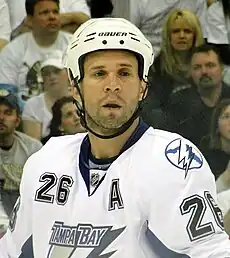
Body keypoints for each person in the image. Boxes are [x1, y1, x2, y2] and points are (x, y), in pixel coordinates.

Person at [0, 18, 230, 257]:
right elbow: (11, 251)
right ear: (75, 88)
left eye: (124, 72)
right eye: (99, 73)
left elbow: (211, 252)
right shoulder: (46, 160)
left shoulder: (172, 160)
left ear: (142, 87)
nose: (113, 85)